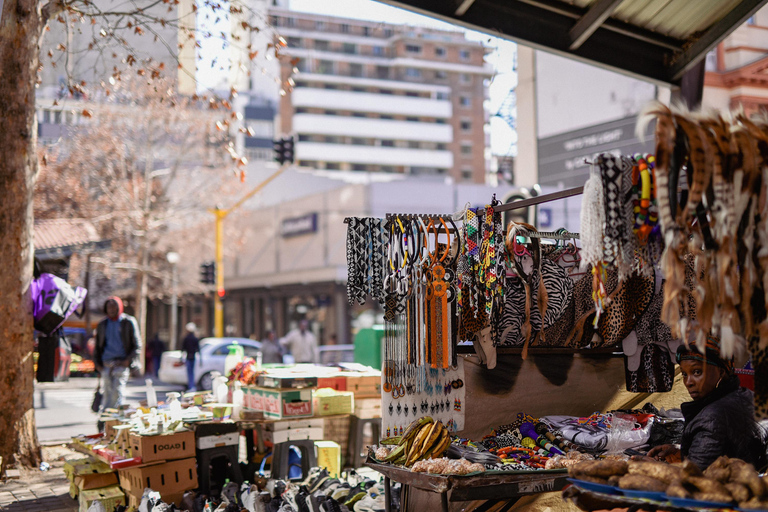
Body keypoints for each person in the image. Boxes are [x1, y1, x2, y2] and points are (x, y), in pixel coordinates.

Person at [643, 336, 766, 470]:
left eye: (697, 372)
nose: (688, 382)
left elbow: (693, 477)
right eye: (684, 374)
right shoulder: (746, 395)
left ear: (721, 372)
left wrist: (656, 467)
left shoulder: (711, 419)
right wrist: (683, 453)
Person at [94, 296, 141, 413]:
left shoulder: (128, 322)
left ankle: (113, 419)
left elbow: (137, 345)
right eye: (109, 307)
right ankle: (105, 420)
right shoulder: (102, 324)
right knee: (107, 394)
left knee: (117, 393)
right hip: (106, 364)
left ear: (119, 307)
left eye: (114, 306)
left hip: (121, 363)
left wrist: (128, 360)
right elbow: (97, 346)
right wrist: (97, 364)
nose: (111, 309)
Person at [181, 322, 200, 391]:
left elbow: (183, 348)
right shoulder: (195, 338)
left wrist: (181, 357)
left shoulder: (186, 338)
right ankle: (192, 386)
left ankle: (190, 386)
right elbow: (198, 349)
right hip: (193, 357)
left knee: (189, 372)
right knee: (192, 372)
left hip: (188, 357)